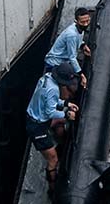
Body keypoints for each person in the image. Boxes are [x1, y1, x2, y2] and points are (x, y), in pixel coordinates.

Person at [26, 61, 80, 193]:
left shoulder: (47, 78)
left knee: (58, 128)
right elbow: (51, 112)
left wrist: (66, 104)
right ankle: (52, 189)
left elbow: (51, 101)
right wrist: (67, 114)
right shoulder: (53, 89)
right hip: (38, 126)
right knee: (53, 159)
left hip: (37, 117)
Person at [45, 7, 92, 88]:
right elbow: (72, 57)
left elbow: (79, 39)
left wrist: (83, 45)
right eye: (83, 22)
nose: (85, 24)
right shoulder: (72, 35)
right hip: (55, 63)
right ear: (76, 21)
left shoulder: (78, 28)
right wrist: (81, 74)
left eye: (87, 21)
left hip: (62, 61)